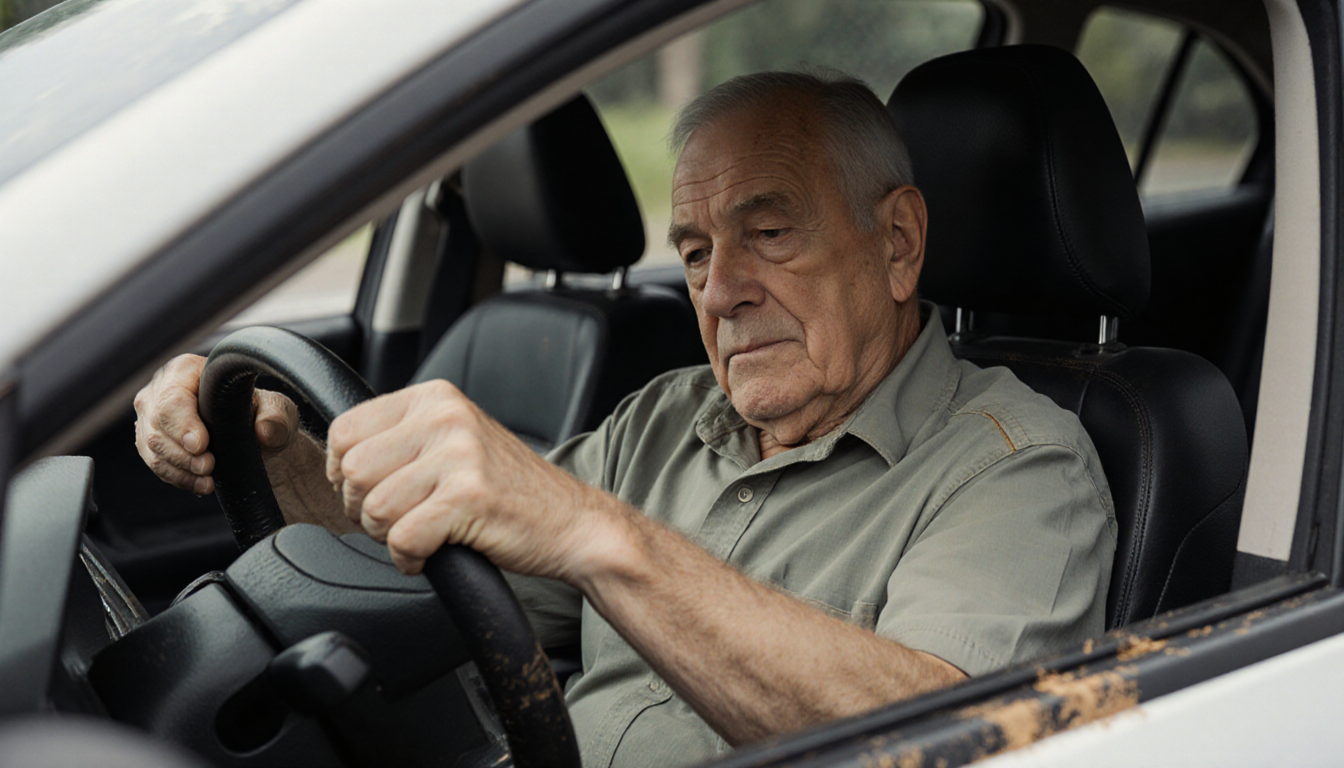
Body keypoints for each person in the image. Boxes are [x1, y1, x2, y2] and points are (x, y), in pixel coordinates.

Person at [134, 72, 1116, 768]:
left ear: (898, 243)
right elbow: (454, 563)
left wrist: (594, 533)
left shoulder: (1022, 466)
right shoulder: (670, 416)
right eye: (694, 252)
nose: (722, 289)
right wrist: (272, 454)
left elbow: (951, 738)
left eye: (769, 233)